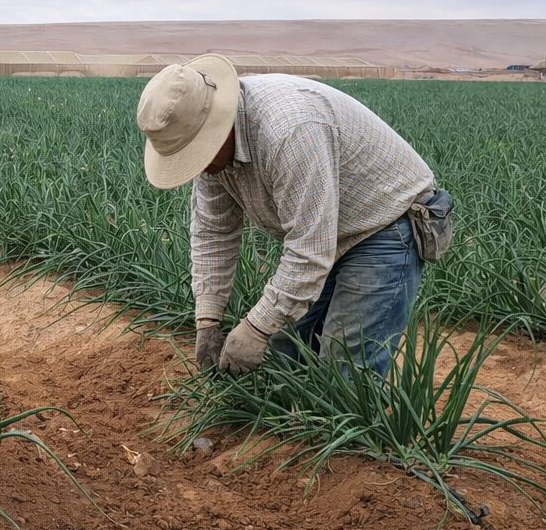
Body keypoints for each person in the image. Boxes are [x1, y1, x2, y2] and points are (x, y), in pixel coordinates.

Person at [135, 54, 450, 377]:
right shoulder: (214, 161)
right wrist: (208, 320)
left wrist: (256, 328)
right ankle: (296, 422)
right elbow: (213, 232)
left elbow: (309, 251)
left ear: (216, 126)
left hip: (384, 225)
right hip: (328, 230)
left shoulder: (289, 131)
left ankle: (357, 423)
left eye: (197, 153)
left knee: (343, 370)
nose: (198, 167)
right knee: (282, 352)